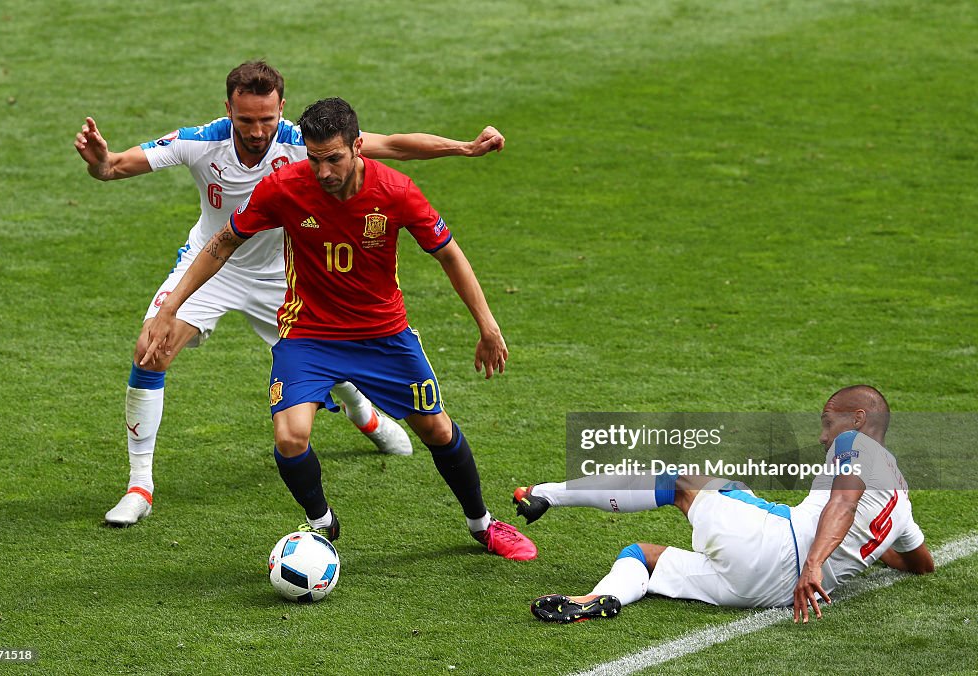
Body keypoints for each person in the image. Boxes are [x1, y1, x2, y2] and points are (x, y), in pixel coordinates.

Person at [75, 61, 508, 527]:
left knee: (328, 346)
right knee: (149, 352)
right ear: (229, 111)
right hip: (213, 264)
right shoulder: (199, 141)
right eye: (246, 121)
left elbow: (394, 145)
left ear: (282, 109)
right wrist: (100, 162)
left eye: (268, 119)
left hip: (286, 273)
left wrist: (463, 147)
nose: (259, 131)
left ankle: (365, 414)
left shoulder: (304, 141)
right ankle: (140, 485)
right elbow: (114, 167)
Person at [139, 97, 537, 561]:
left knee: (437, 431)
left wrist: (487, 326)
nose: (323, 172)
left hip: (383, 336)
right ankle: (322, 523)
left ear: (358, 147)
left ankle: (482, 523)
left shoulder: (397, 192)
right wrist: (171, 307)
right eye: (314, 158)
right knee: (290, 438)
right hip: (308, 335)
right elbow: (222, 242)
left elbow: (449, 253)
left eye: (334, 159)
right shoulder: (284, 188)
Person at [513, 385, 934, 622]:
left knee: (682, 484)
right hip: (771, 595)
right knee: (643, 556)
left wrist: (815, 562)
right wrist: (868, 549)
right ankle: (597, 599)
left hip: (776, 549)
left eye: (828, 422)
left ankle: (548, 493)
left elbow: (844, 499)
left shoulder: (854, 443)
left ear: (858, 419)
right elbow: (921, 563)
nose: (824, 436)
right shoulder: (903, 506)